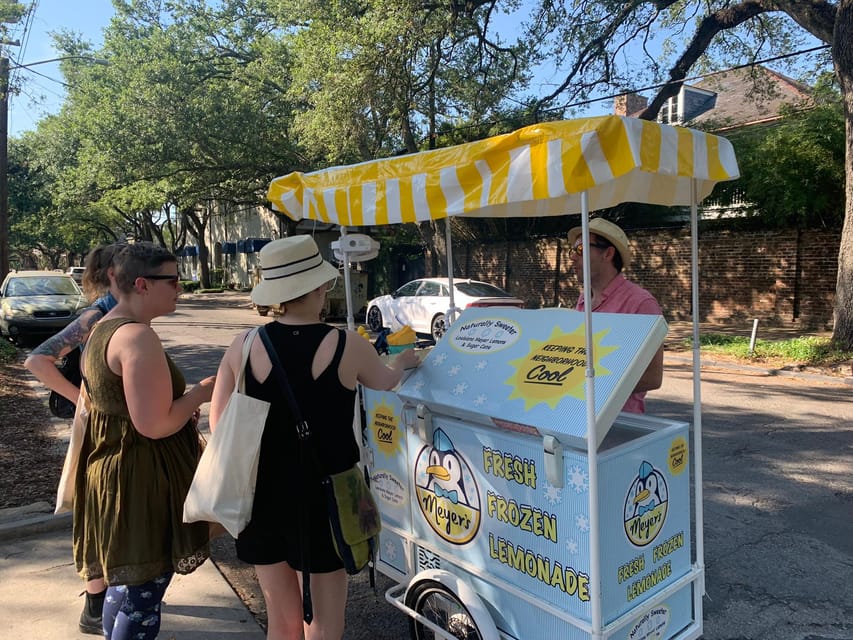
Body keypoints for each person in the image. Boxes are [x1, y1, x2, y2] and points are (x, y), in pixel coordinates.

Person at [209, 235, 421, 640]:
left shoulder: (243, 344)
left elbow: (219, 426)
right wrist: (404, 359)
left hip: (261, 497)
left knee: (282, 620)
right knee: (324, 624)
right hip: (330, 499)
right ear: (320, 287)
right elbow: (387, 380)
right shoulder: (346, 344)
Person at [74, 242, 215, 640]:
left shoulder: (103, 328)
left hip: (115, 471)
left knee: (126, 587)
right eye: (172, 280)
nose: (179, 289)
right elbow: (153, 425)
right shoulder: (136, 337)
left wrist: (177, 404)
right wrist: (202, 391)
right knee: (144, 596)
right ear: (142, 284)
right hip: (141, 480)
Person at [23, 243, 121, 635]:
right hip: (99, 429)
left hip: (114, 427)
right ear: (114, 273)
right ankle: (96, 605)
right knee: (97, 507)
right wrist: (82, 399)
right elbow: (36, 361)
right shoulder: (97, 314)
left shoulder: (120, 310)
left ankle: (106, 597)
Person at [567, 217, 664, 413]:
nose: (572, 257)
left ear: (608, 253)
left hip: (619, 422)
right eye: (573, 250)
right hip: (581, 414)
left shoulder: (641, 303)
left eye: (581, 250)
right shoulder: (584, 299)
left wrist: (592, 385)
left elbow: (653, 377)